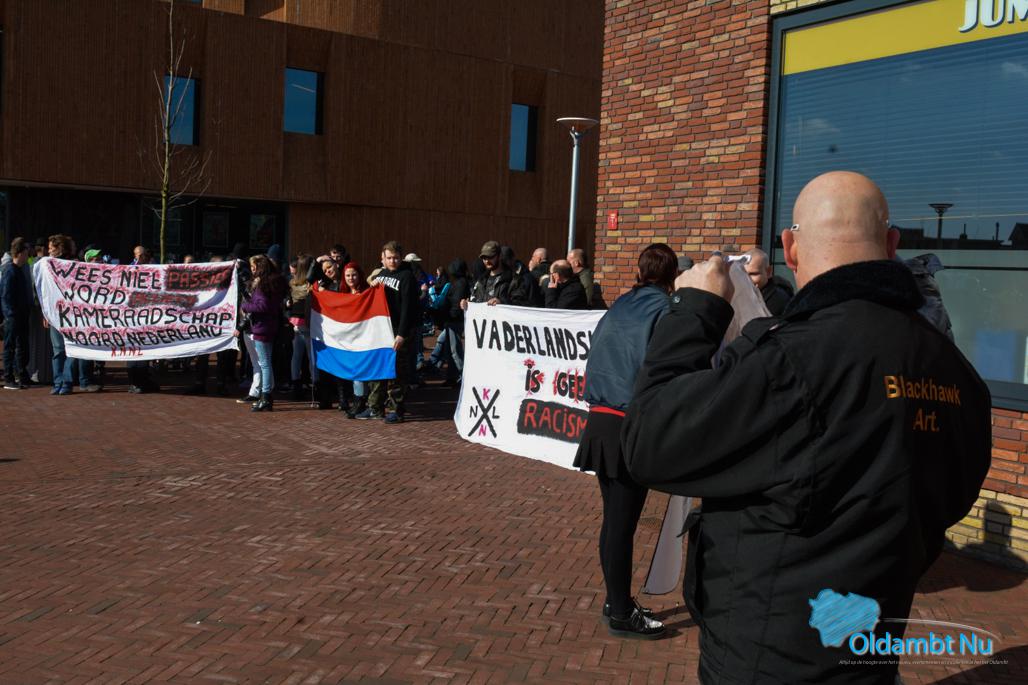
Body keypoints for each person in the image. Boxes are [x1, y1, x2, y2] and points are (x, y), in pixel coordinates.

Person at [622, 172, 992, 683]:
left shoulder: (791, 359)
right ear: (891, 244)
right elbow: (955, 492)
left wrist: (694, 312)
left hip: (768, 653)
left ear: (790, 249)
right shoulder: (953, 370)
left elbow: (650, 442)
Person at [573, 243, 677, 640]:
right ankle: (620, 611)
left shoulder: (619, 306)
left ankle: (616, 599)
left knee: (614, 520)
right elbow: (664, 367)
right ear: (671, 276)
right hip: (627, 423)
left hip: (600, 420)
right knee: (621, 524)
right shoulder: (665, 310)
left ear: (639, 271)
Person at [357, 240, 419, 423]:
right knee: (377, 369)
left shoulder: (407, 277)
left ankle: (396, 410)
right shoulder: (381, 275)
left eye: (396, 258)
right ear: (382, 258)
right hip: (381, 330)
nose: (393, 261)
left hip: (397, 330)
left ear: (401, 258)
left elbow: (409, 307)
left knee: (396, 372)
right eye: (389, 258)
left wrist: (402, 334)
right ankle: (375, 407)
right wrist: (373, 286)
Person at [240, 254, 285, 412]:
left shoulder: (264, 284)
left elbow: (263, 306)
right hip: (268, 325)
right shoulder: (273, 282)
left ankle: (266, 397)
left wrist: (246, 306)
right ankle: (265, 395)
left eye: (254, 267)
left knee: (264, 363)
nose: (252, 270)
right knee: (265, 362)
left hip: (262, 326)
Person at [125, 245, 160, 393]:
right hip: (132, 318)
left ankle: (142, 381)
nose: (141, 258)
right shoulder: (129, 270)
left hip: (146, 317)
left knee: (143, 350)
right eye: (138, 255)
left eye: (144, 255)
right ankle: (135, 382)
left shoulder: (154, 269)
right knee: (133, 351)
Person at [2, 237, 32, 390]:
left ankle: (22, 375)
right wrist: (10, 314)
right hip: (13, 316)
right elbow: (5, 296)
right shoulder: (10, 271)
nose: (28, 256)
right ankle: (9, 377)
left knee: (21, 346)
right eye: (26, 253)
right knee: (11, 346)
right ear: (20, 253)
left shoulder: (18, 271)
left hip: (20, 314)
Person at [287, 254, 315, 401]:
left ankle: (295, 385)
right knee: (311, 357)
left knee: (296, 356)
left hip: (295, 322)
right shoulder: (309, 286)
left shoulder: (293, 283)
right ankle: (315, 386)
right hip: (307, 322)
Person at [743, 247, 793, 315]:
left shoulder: (777, 300)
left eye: (753, 274)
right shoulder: (746, 294)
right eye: (743, 274)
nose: (747, 279)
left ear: (768, 272)